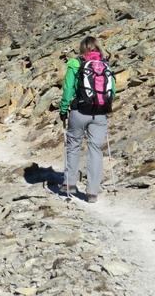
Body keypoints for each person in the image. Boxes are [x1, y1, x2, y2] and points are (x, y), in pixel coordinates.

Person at [59, 36, 116, 203]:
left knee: (74, 145)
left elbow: (68, 88)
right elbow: (113, 91)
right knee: (95, 150)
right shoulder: (105, 65)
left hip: (79, 111)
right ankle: (92, 192)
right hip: (99, 113)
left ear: (82, 48)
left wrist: (63, 109)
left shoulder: (75, 63)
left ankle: (69, 184)